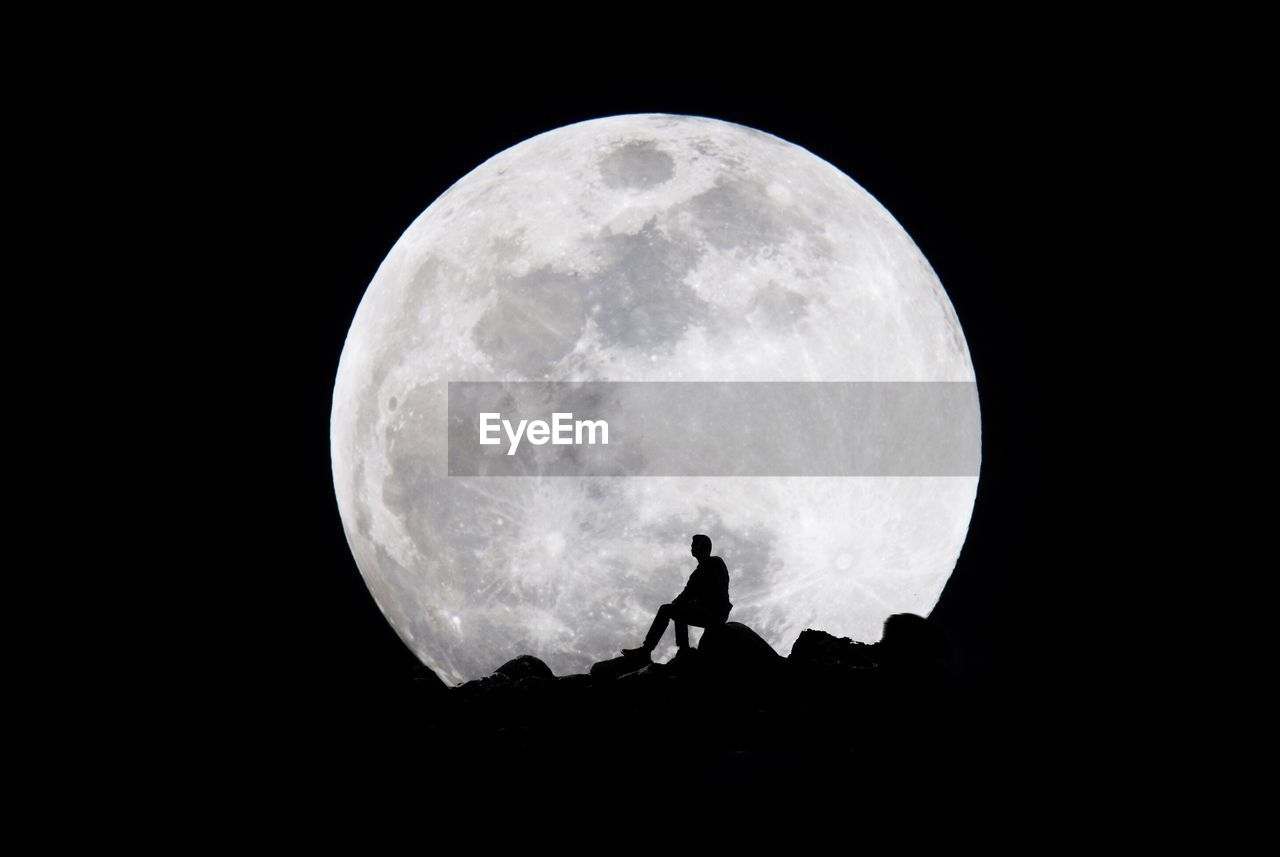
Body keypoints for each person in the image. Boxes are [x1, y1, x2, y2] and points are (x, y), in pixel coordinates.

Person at [621, 534, 732, 660]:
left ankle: (651, 650)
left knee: (668, 609)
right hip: (708, 612)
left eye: (694, 545)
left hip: (715, 613)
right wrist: (678, 604)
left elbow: (713, 589)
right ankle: (679, 649)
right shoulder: (696, 574)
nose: (691, 547)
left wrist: (690, 602)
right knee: (674, 609)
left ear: (704, 547)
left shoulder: (715, 562)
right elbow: (685, 595)